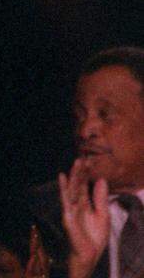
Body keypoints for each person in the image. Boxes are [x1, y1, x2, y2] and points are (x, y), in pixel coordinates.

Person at [30, 47, 144, 278]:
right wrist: (80, 268)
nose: (85, 130)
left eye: (105, 114)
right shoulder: (40, 216)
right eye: (80, 115)